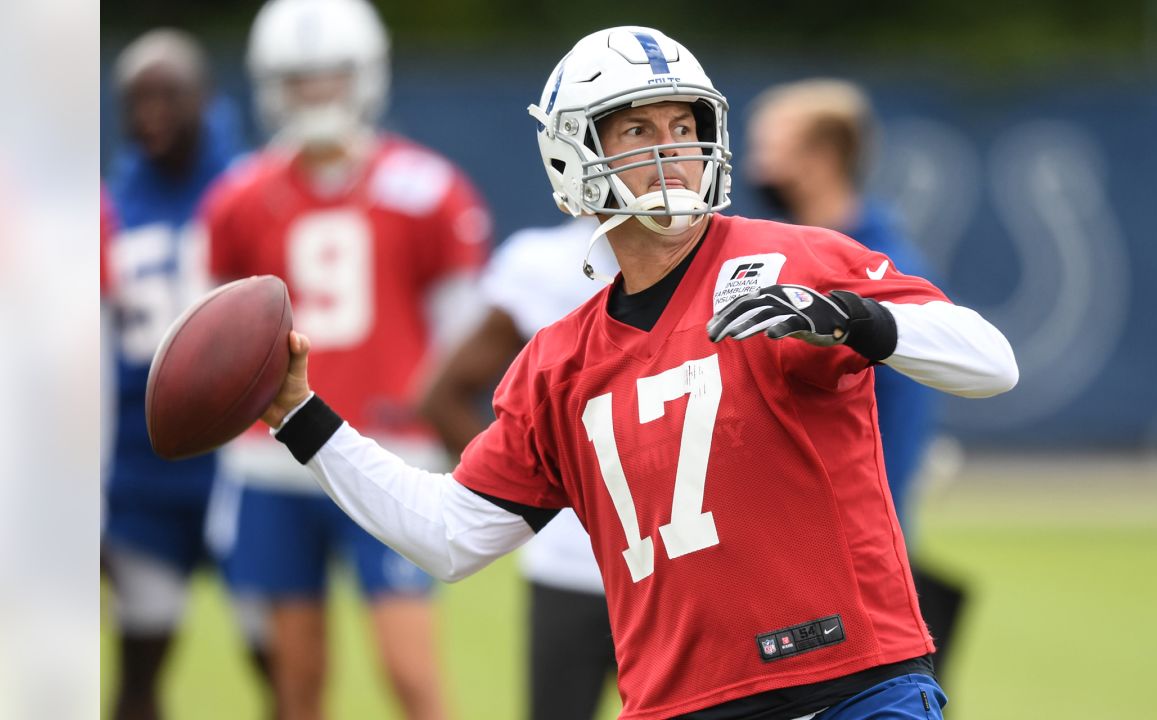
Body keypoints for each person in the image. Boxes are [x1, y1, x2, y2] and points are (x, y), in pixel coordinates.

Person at [257, 26, 1017, 720]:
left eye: (684, 127)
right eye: (638, 130)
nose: (672, 149)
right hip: (682, 705)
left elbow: (989, 361)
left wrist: (854, 318)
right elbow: (449, 535)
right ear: (574, 153)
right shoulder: (557, 363)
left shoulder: (795, 260)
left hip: (854, 684)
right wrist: (301, 418)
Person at [198, 1, 490, 718]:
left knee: (410, 671)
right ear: (273, 85)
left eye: (329, 78)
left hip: (385, 446)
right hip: (272, 458)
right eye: (300, 80)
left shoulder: (425, 188)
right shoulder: (238, 197)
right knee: (295, 680)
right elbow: (215, 340)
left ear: (362, 76)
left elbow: (465, 333)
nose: (316, 95)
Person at [745, 79, 966, 677]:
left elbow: (899, 423)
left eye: (772, 148)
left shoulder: (882, 267)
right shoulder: (767, 256)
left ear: (821, 158)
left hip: (847, 549)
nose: (755, 164)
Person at [100, 29, 271, 720]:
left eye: (169, 94)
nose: (152, 112)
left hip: (242, 464)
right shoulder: (108, 207)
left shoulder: (251, 193)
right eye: (137, 98)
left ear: (206, 97)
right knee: (139, 660)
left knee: (279, 656)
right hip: (143, 469)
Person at [421, 216, 619, 720]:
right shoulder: (541, 262)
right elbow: (441, 395)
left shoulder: (717, 260)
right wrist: (521, 492)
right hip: (573, 562)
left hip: (680, 562)